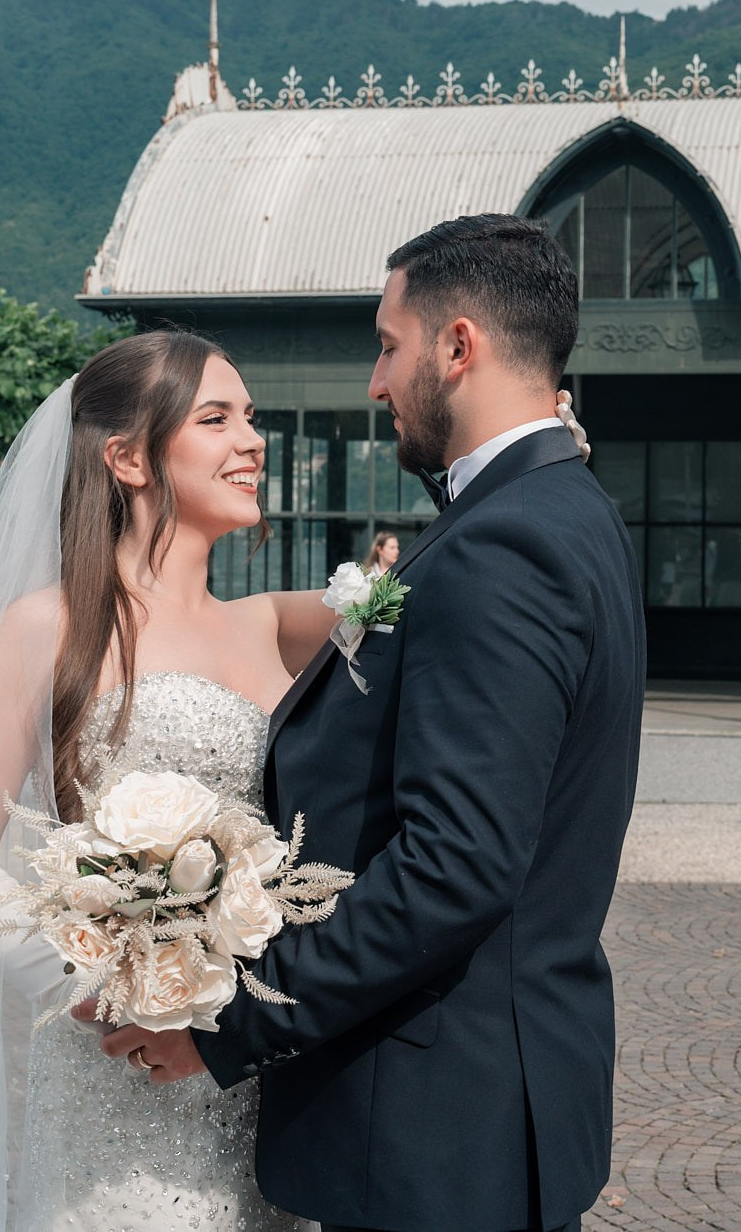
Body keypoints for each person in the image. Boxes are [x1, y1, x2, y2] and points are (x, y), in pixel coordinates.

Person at [0, 329, 593, 1230]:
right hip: (117, 1064)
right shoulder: (42, 626)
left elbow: (454, 583)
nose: (253, 439)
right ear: (127, 457)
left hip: (260, 1069)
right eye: (216, 418)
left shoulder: (276, 625)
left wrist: (549, 440)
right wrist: (92, 985)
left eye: (250, 417)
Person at [97, 215, 645, 1232]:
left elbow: (453, 868)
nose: (374, 381)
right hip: (485, 1108)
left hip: (435, 1134)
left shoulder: (501, 549)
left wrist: (226, 1027)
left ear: (458, 346)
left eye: (388, 345)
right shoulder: (568, 513)